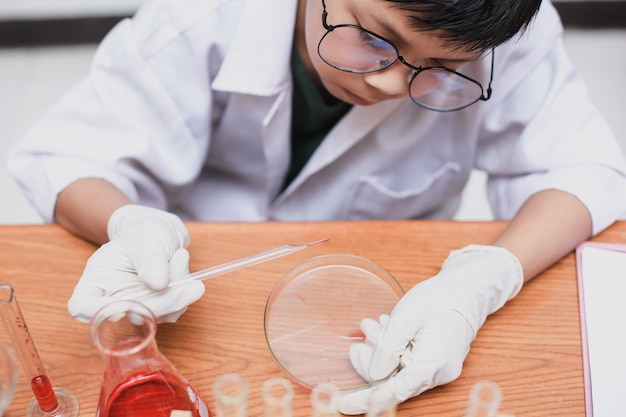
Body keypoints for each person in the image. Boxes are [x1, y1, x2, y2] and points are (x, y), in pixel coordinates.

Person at [8, 0, 626, 413]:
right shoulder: (204, 14)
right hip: (193, 303)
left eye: (442, 68)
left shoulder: (509, 29)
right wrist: (129, 221)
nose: (388, 84)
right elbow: (67, 157)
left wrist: (485, 279)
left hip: (374, 307)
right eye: (373, 38)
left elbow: (586, 170)